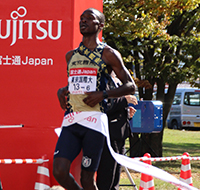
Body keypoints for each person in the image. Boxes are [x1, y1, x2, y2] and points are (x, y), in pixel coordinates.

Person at [53, 8, 136, 190]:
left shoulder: (108, 53)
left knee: (87, 179)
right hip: (72, 119)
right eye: (82, 19)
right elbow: (77, 84)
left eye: (89, 19)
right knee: (59, 170)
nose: (83, 21)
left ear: (100, 25)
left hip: (94, 121)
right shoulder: (71, 56)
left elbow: (131, 86)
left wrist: (103, 95)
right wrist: (63, 90)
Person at [96, 95, 137, 190]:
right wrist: (124, 100)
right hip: (108, 135)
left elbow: (115, 108)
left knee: (115, 177)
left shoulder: (118, 82)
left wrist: (126, 112)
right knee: (107, 176)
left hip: (121, 134)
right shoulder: (104, 82)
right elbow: (104, 106)